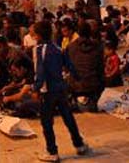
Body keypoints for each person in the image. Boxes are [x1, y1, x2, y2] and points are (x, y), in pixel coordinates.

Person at [31, 21, 89, 162]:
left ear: (37, 35)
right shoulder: (57, 47)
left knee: (46, 122)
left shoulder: (40, 50)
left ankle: (52, 151)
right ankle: (79, 144)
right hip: (61, 88)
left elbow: (40, 71)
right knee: (68, 117)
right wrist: (77, 78)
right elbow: (69, 65)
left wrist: (36, 88)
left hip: (48, 90)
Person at [66, 23, 104, 111]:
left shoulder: (71, 47)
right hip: (94, 84)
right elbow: (100, 67)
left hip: (76, 85)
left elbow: (67, 67)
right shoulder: (98, 46)